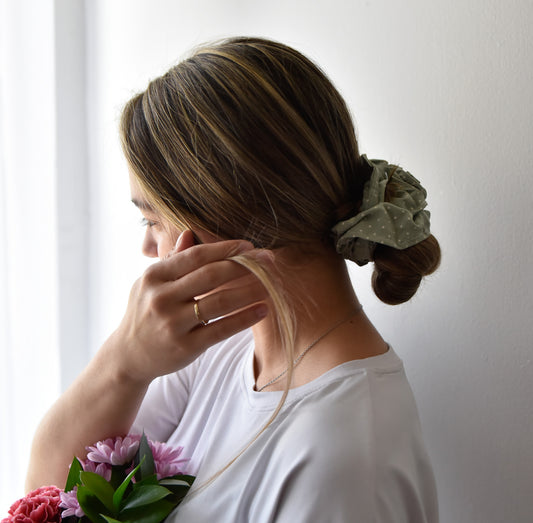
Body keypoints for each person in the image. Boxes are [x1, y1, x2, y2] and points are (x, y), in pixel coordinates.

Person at [26, 37, 441, 521]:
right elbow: (45, 499)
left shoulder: (343, 460)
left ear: (230, 212)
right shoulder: (224, 347)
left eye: (152, 220)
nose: (147, 248)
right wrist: (123, 362)